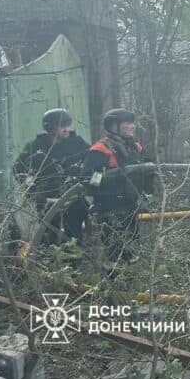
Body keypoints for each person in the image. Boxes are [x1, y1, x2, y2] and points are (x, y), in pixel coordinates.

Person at [82, 108, 152, 264]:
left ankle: (131, 281)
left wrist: (148, 195)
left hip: (131, 207)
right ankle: (115, 283)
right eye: (128, 123)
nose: (133, 126)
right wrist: (112, 177)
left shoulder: (135, 147)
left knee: (133, 251)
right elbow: (88, 179)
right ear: (114, 126)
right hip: (109, 210)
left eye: (132, 123)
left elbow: (147, 174)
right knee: (115, 254)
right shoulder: (100, 150)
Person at [12, 109, 90, 246]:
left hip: (73, 196)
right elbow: (18, 169)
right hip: (47, 199)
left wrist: (83, 181)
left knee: (74, 233)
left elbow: (91, 162)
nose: (67, 129)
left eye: (68, 125)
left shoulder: (77, 143)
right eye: (62, 125)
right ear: (50, 127)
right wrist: (31, 189)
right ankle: (50, 261)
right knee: (49, 234)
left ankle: (73, 263)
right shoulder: (35, 146)